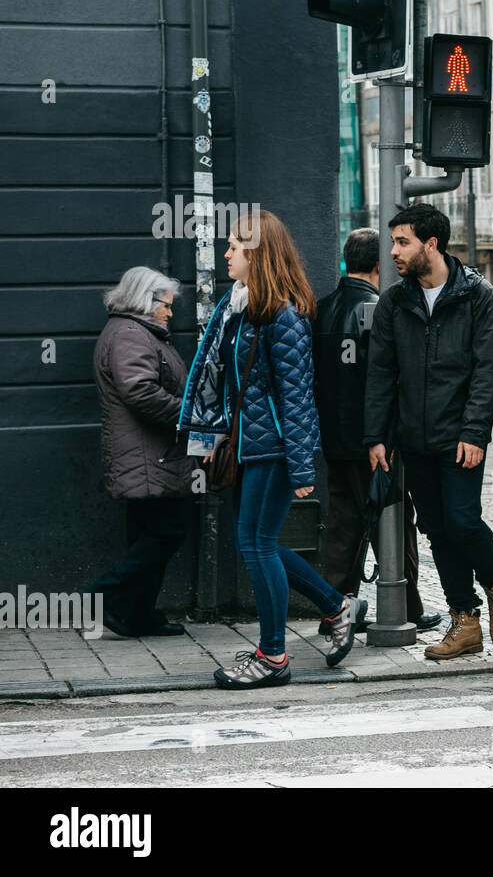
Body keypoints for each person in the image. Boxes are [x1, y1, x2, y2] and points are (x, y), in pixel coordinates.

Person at [180, 211, 361, 688]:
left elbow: (297, 397)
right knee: (259, 544)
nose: (226, 255)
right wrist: (212, 435)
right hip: (248, 446)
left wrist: (303, 469)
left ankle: (274, 656)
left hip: (275, 449)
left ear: (257, 253)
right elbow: (227, 384)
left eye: (235, 246)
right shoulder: (240, 307)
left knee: (255, 545)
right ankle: (337, 605)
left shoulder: (283, 315)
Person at [364, 203, 493, 660]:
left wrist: (474, 432)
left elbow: (488, 371)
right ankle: (464, 621)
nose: (393, 251)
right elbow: (381, 373)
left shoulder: (477, 296)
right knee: (436, 528)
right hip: (413, 437)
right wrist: (377, 436)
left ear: (431, 245)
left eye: (402, 241)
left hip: (460, 436)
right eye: (393, 241)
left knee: (462, 520)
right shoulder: (395, 300)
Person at [313, 228, 440, 635]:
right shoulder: (378, 308)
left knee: (343, 523)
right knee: (395, 518)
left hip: (335, 437)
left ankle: (334, 606)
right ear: (378, 265)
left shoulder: (321, 308)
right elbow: (387, 380)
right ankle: (408, 605)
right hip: (377, 440)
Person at [90, 267, 194, 638]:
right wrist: (188, 415)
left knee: (149, 532)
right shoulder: (131, 335)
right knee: (167, 530)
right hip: (148, 453)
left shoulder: (137, 332)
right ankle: (103, 597)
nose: (171, 312)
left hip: (151, 453)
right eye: (166, 304)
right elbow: (141, 392)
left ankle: (136, 614)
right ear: (146, 302)